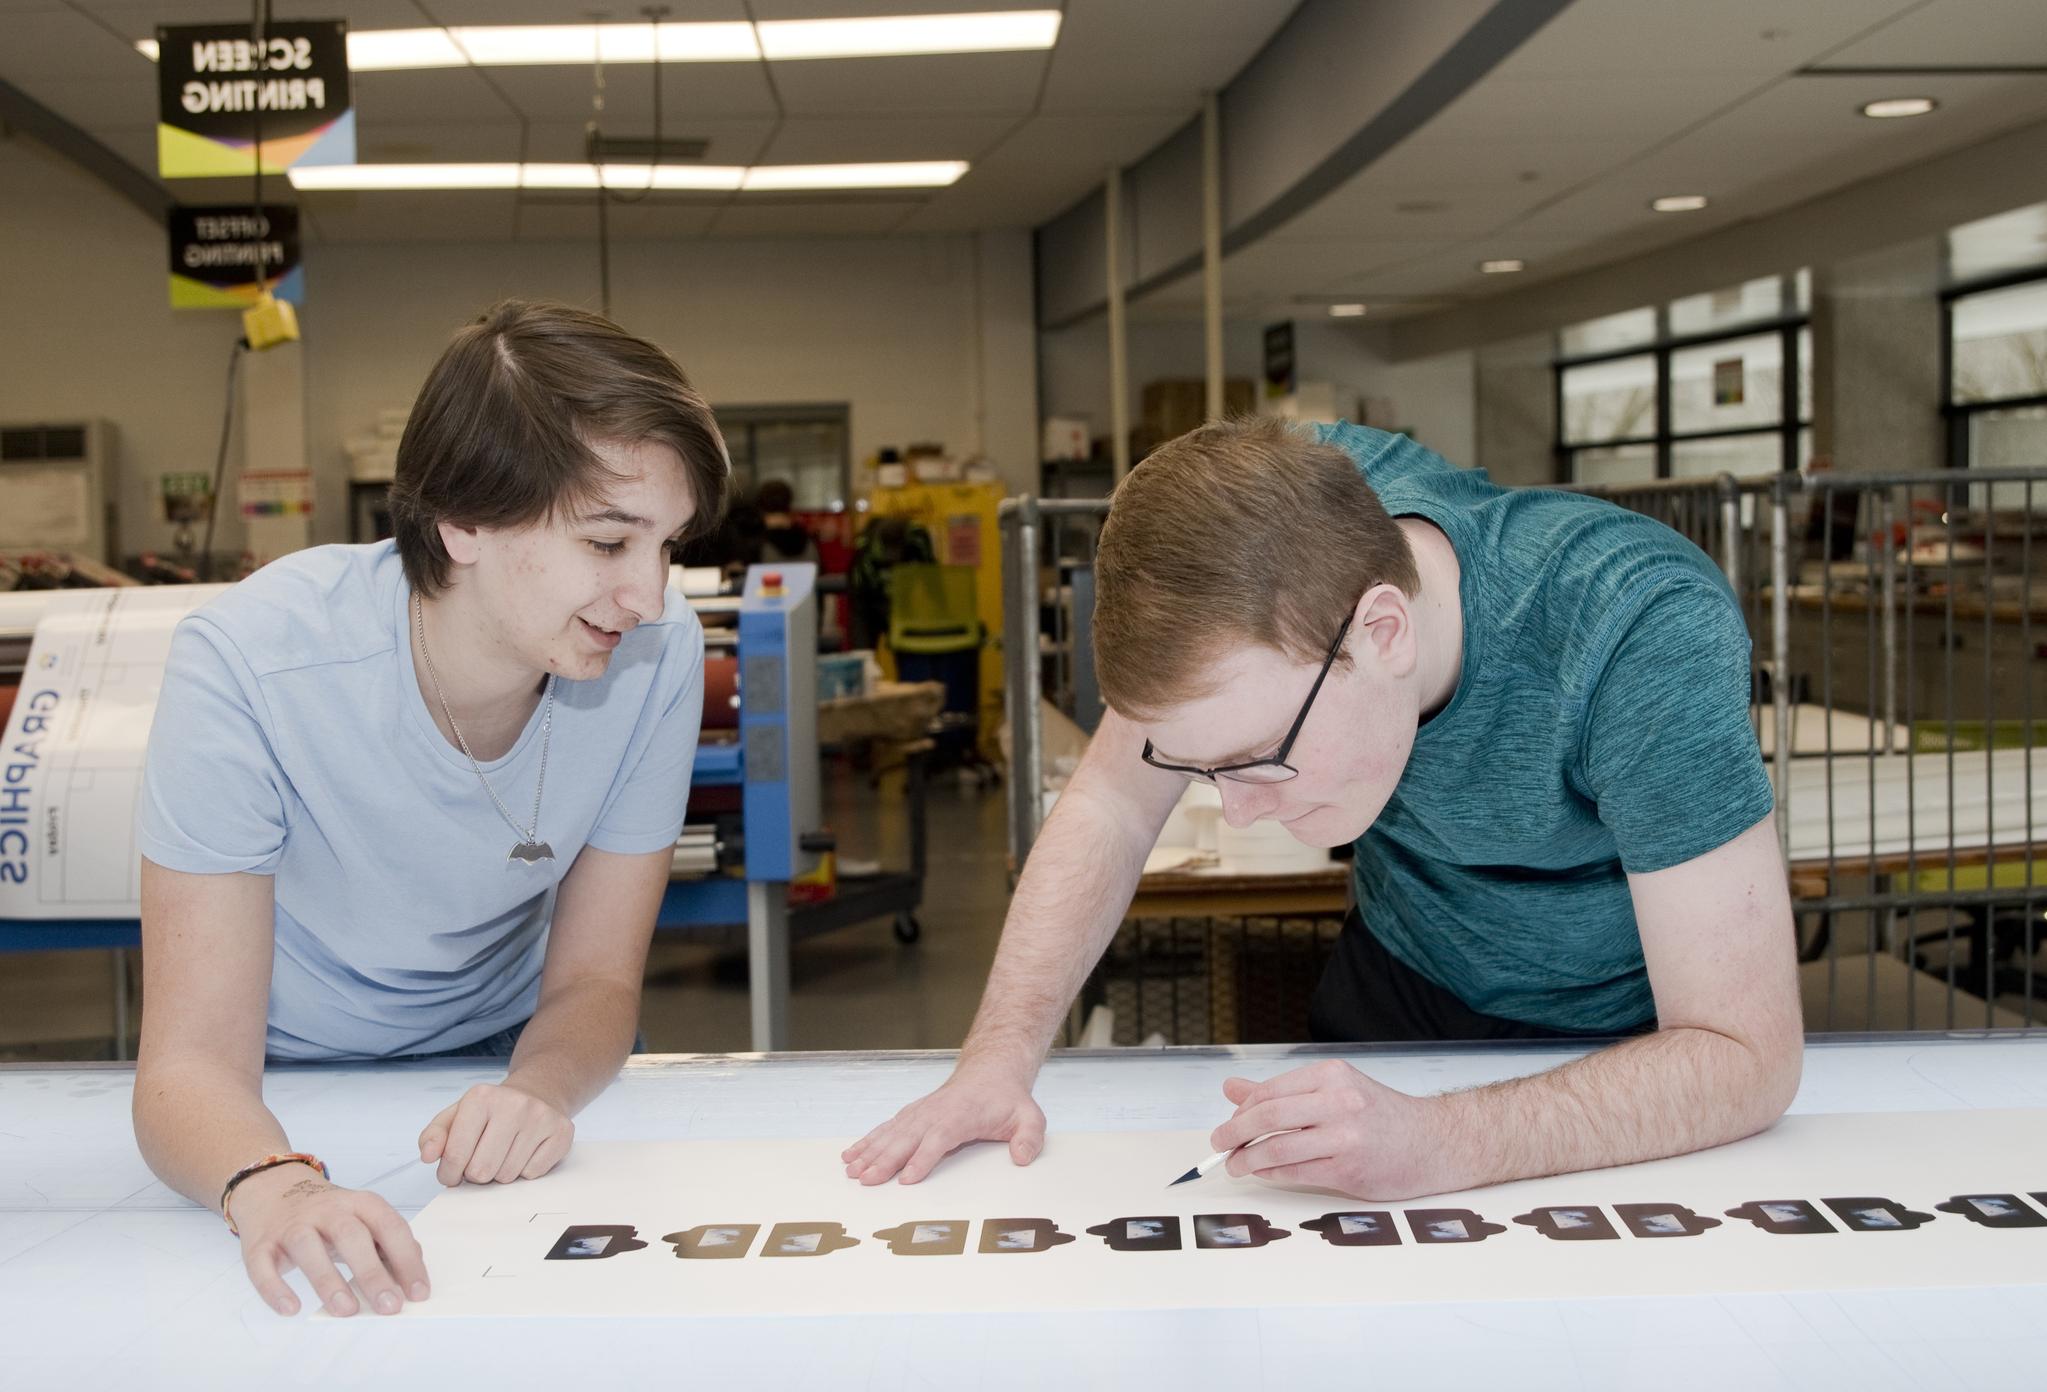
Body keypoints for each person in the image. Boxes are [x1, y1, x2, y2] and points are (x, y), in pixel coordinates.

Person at [844, 415, 1802, 1200]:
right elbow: (1110, 804)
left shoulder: (1635, 628)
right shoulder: (1269, 515)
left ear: (1380, 629)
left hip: (1628, 1043)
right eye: (1207, 770)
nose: (1242, 813)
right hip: (1398, 983)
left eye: (1261, 759)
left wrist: (1442, 1141)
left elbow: (1742, 1053)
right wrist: (996, 1063)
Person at [131, 300, 729, 1318]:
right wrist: (275, 1186)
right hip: (270, 1088)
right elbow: (188, 1062)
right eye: (607, 543)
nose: (649, 596)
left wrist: (537, 1092)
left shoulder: (656, 659)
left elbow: (593, 980)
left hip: (493, 1070)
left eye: (666, 546)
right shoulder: (249, 665)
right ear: (463, 521)